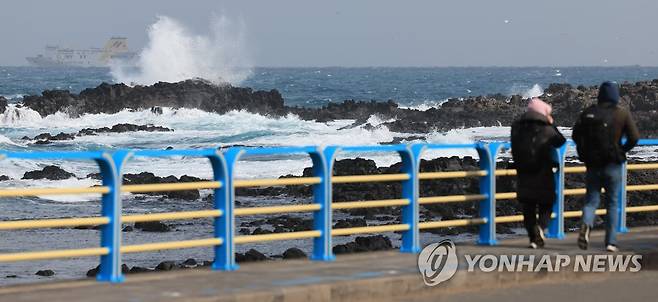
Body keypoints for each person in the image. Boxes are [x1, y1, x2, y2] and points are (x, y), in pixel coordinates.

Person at [573, 81, 640, 252]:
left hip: (593, 164)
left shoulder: (589, 113)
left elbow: (575, 135)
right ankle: (610, 242)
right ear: (616, 96)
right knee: (612, 203)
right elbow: (634, 137)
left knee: (591, 200)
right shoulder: (621, 114)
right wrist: (621, 150)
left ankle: (586, 224)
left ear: (600, 95)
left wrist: (584, 152)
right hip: (613, 164)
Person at [511, 98, 566, 249]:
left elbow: (514, 146)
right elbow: (561, 141)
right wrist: (551, 123)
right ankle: (541, 229)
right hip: (543, 172)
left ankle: (533, 238)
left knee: (528, 207)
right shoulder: (546, 129)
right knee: (546, 204)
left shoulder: (516, 127)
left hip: (523, 172)